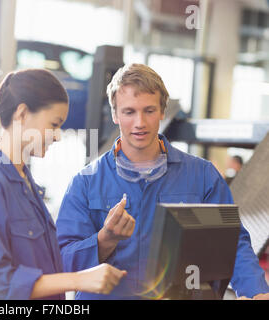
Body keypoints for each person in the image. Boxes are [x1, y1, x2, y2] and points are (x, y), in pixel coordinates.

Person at [56, 63, 269, 300]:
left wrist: (256, 292)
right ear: (115, 114)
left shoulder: (203, 177)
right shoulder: (85, 182)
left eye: (149, 110)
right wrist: (105, 239)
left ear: (163, 112)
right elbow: (61, 259)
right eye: (129, 112)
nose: (139, 122)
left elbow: (232, 244)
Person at [0, 69, 126, 300]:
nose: (57, 136)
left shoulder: (25, 184)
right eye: (54, 124)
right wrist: (78, 279)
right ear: (23, 113)